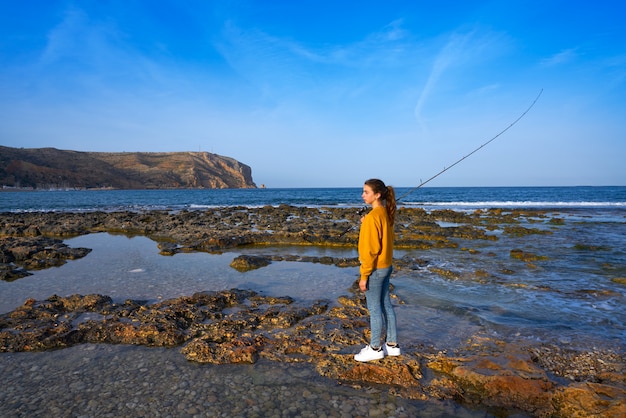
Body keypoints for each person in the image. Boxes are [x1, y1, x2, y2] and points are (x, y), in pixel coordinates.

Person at [354, 178, 401, 362]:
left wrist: (364, 276)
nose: (362, 195)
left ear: (377, 194)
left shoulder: (374, 218)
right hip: (386, 266)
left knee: (374, 309)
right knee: (386, 305)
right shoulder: (385, 213)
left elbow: (371, 250)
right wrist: (366, 222)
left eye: (366, 192)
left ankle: (375, 348)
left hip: (375, 270)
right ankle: (392, 345)